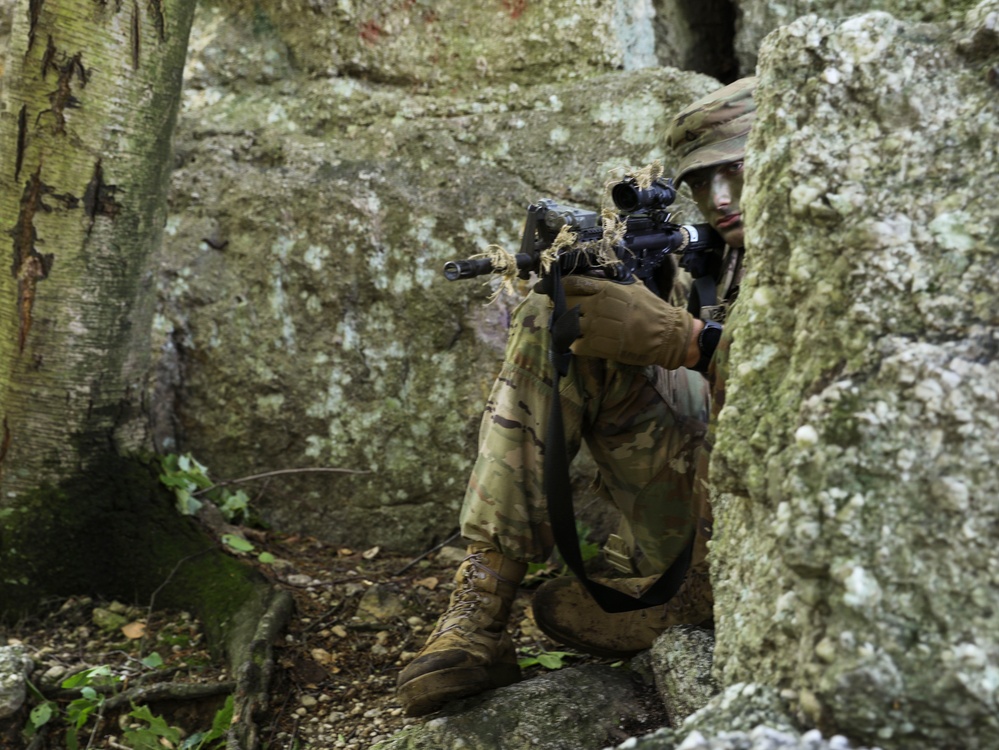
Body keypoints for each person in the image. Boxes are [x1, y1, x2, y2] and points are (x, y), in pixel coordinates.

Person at [396, 77, 757, 717]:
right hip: (682, 517)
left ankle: (698, 596)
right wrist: (629, 291)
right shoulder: (715, 254)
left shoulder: (846, 241)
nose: (720, 199)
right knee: (554, 320)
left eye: (738, 171)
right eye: (703, 182)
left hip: (756, 533)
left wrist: (694, 342)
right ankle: (479, 611)